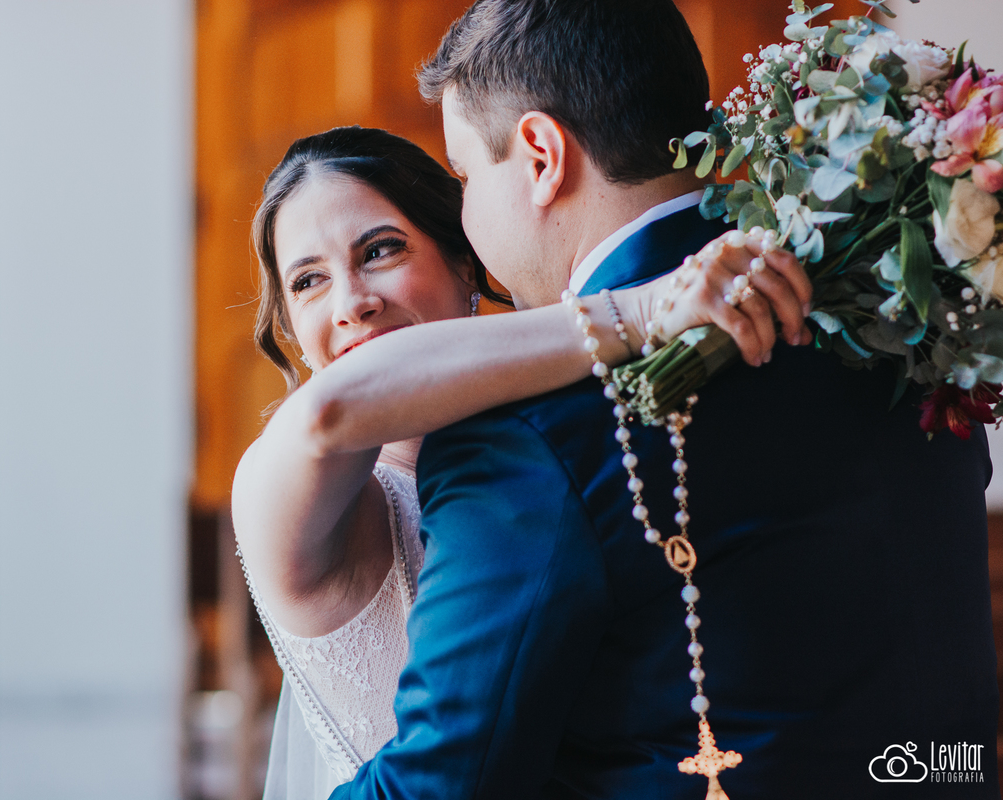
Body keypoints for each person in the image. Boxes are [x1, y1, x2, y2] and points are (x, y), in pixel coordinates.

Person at [330, 1, 999, 798]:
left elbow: (441, 785)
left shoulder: (524, 433)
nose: (467, 215)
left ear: (541, 156)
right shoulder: (901, 329)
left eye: (468, 176)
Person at [231, 126, 812, 799]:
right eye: (308, 282)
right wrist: (643, 307)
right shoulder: (279, 492)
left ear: (464, 261)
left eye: (380, 250)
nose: (350, 301)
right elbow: (331, 411)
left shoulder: (562, 430)